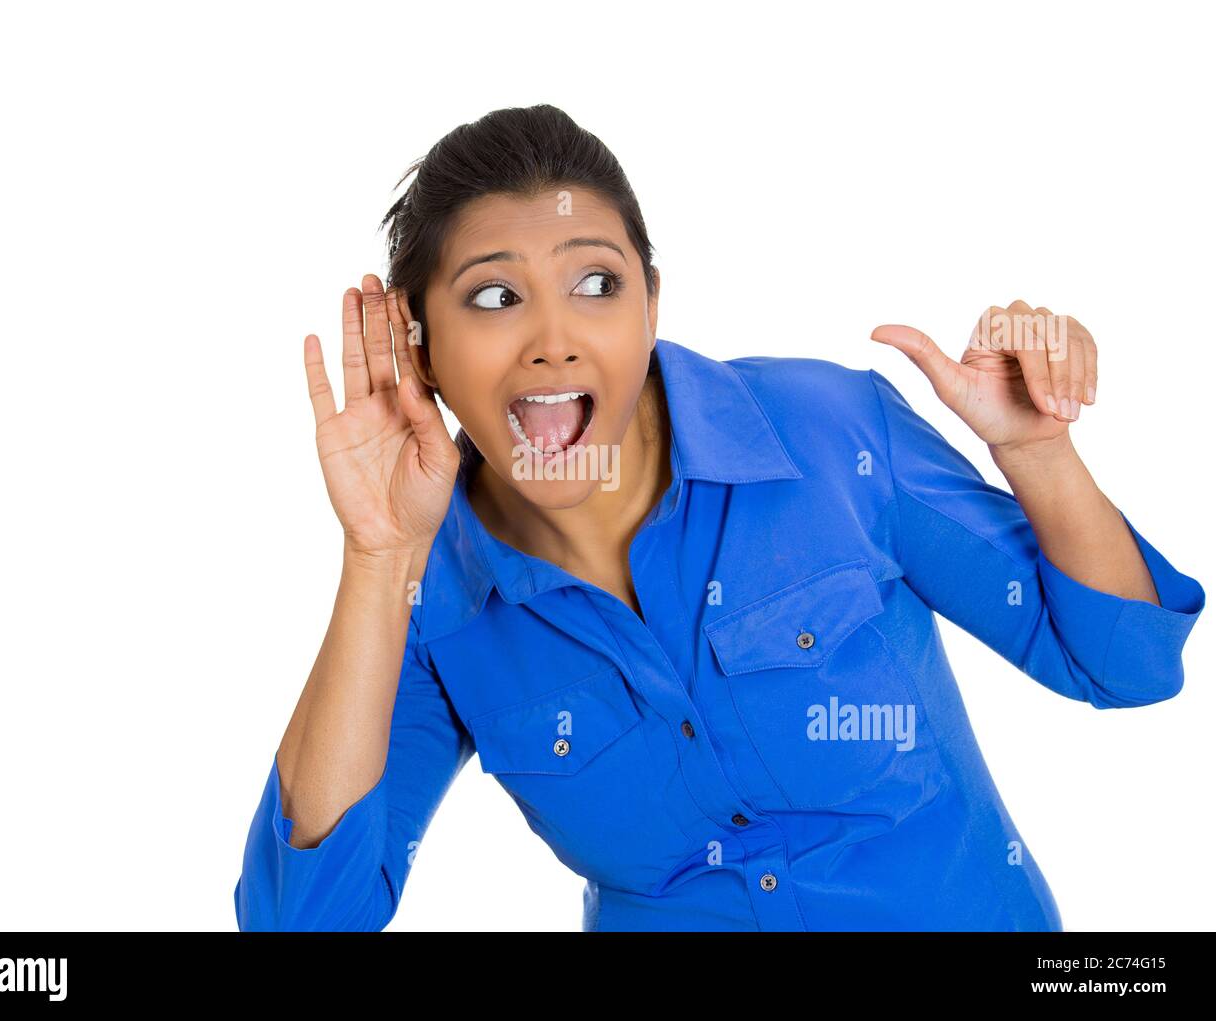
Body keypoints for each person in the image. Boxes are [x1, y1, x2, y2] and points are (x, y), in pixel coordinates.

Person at [233, 104, 1204, 931]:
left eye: (596, 284)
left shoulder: (830, 432)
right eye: (493, 296)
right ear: (423, 352)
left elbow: (1124, 666)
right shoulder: (429, 592)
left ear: (650, 303)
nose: (554, 339)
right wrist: (375, 553)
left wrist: (1034, 453)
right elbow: (305, 918)